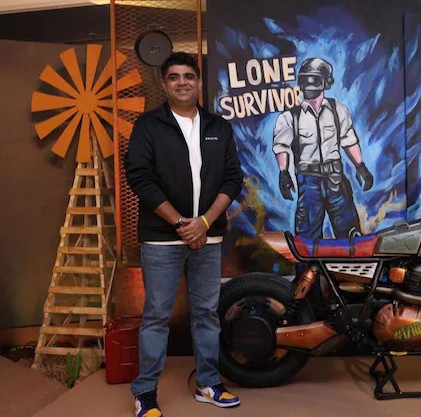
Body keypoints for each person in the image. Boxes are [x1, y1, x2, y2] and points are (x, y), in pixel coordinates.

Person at [125, 51, 243, 417]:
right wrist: (181, 224)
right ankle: (146, 392)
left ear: (198, 82)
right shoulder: (148, 126)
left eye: (188, 76)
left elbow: (232, 179)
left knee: (206, 313)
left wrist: (204, 223)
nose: (182, 82)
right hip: (162, 238)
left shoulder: (218, 126)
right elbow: (139, 178)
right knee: (157, 315)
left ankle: (208, 383)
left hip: (207, 237)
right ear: (164, 83)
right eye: (174, 76)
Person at [272, 57, 374, 239]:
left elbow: (349, 140)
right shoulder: (289, 117)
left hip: (336, 180)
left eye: (314, 79)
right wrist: (283, 173)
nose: (308, 85)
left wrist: (361, 166)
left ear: (326, 82)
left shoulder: (338, 110)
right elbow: (281, 147)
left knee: (350, 234)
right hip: (308, 183)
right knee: (307, 238)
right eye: (305, 79)